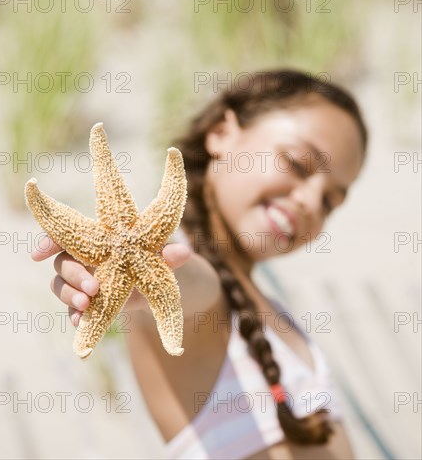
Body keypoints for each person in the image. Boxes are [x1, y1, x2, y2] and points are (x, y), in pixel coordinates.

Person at [33, 70, 368, 459]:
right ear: (222, 133)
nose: (311, 202)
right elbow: (187, 285)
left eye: (330, 201)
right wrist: (135, 279)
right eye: (297, 162)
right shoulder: (187, 276)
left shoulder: (267, 308)